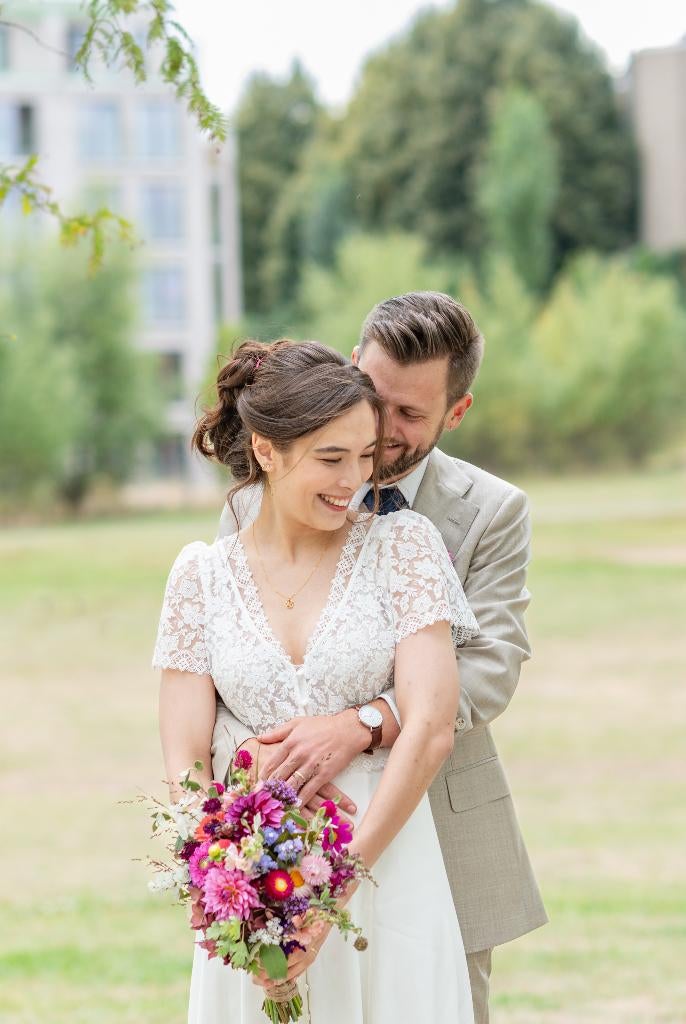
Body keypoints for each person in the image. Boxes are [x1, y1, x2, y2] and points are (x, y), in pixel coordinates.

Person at [214, 293, 548, 1024]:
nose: (382, 429)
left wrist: (363, 723)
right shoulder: (252, 506)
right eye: (372, 395)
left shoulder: (490, 511)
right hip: (288, 830)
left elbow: (490, 668)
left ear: (455, 414)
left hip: (443, 824)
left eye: (410, 416)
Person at [153, 339, 479, 1023]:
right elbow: (184, 758)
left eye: (365, 457)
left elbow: (430, 728)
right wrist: (211, 871)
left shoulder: (404, 548)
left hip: (389, 868)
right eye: (332, 459)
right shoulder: (199, 578)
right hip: (255, 883)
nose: (353, 480)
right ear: (267, 450)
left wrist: (337, 894)